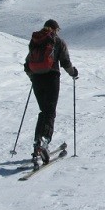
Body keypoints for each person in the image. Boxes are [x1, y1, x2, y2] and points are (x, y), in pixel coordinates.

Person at [23, 19, 78, 163]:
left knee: (43, 111)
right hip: (51, 77)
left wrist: (33, 77)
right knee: (50, 111)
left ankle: (37, 144)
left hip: (36, 79)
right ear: (55, 29)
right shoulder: (57, 41)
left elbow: (27, 63)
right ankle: (45, 142)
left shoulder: (35, 40)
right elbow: (65, 62)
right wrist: (73, 73)